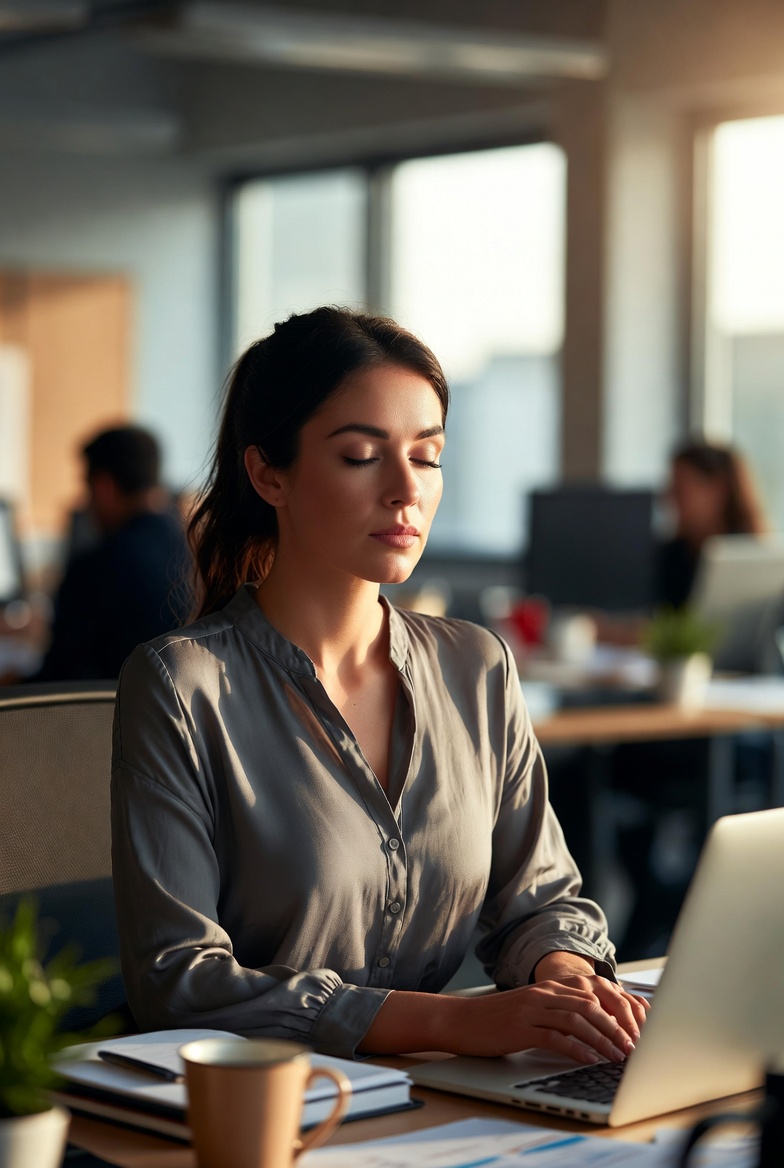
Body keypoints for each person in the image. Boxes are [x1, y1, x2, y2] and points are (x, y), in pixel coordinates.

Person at [111, 307, 647, 1063]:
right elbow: (177, 980)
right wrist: (455, 1024)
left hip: (438, 1103)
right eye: (362, 455)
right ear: (269, 473)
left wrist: (563, 980)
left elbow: (542, 900)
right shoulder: (181, 685)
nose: (405, 490)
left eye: (426, 457)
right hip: (264, 1109)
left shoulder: (477, 668)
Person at [30, 425, 191, 682]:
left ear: (104, 487)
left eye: (87, 488)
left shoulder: (95, 568)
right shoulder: (190, 550)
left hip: (110, 719)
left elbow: (53, 683)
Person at [655, 437, 768, 609]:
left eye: (680, 490)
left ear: (718, 490)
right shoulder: (673, 556)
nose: (669, 498)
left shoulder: (754, 561)